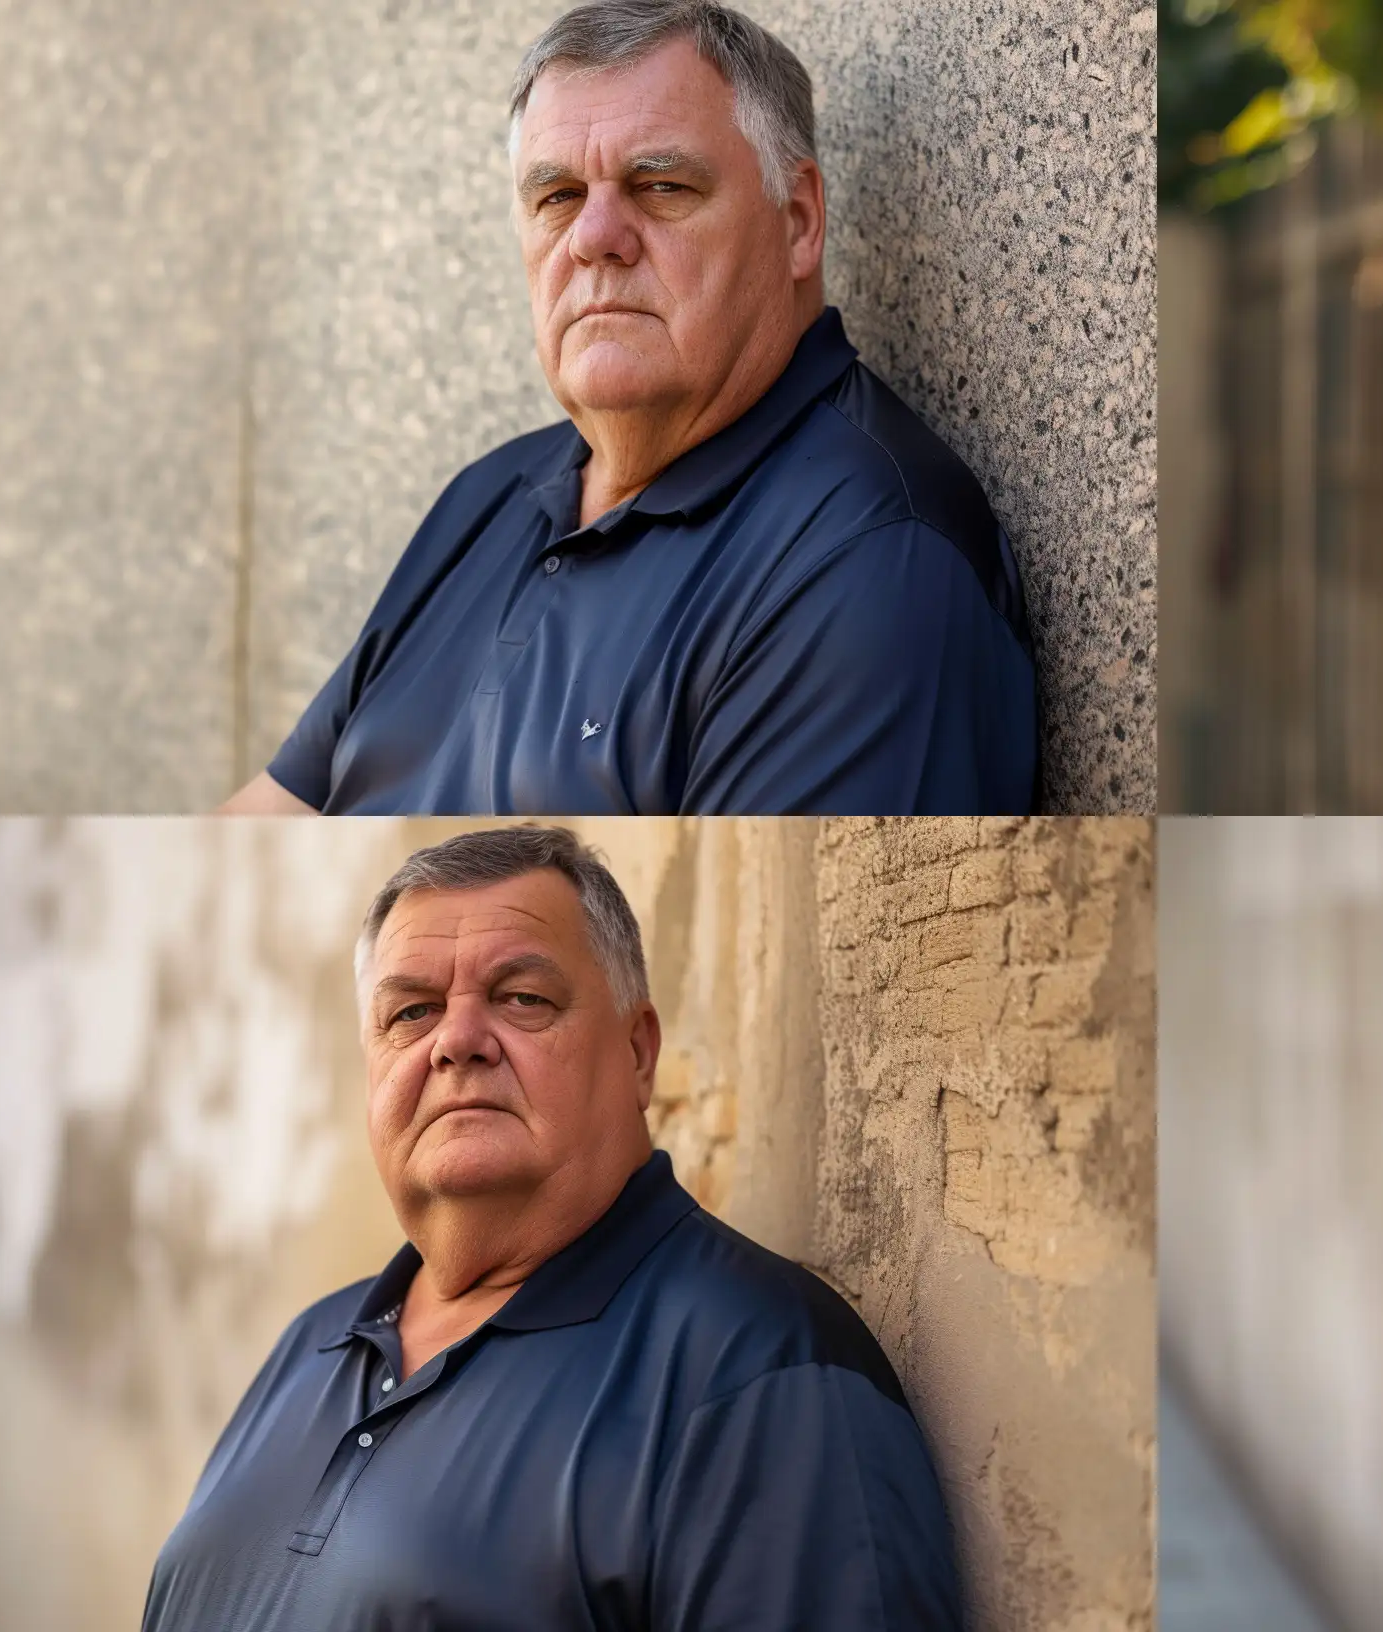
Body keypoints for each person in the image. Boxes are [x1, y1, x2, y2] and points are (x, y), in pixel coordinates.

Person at [220, 1, 1037, 816]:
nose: (595, 236)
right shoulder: (490, 494)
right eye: (558, 196)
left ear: (798, 221)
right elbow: (258, 833)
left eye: (661, 185)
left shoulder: (870, 560)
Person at [144, 826, 963, 1628]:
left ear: (639, 1054)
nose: (456, 1042)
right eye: (412, 1012)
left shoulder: (762, 1371)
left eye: (523, 999)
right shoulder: (310, 1345)